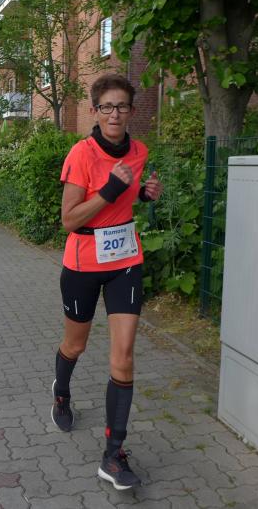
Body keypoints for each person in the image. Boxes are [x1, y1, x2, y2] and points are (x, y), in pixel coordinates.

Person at [52, 73, 163, 490]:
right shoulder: (81, 154)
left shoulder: (139, 151)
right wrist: (110, 191)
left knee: (124, 357)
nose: (115, 114)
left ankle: (113, 454)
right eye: (107, 107)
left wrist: (144, 194)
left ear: (131, 111)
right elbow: (69, 219)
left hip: (125, 261)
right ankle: (61, 391)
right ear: (94, 111)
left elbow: (127, 198)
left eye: (122, 106)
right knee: (75, 345)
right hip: (83, 262)